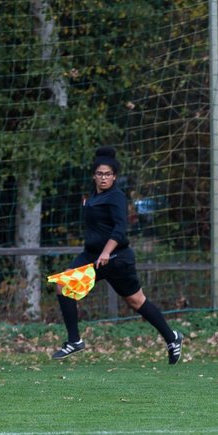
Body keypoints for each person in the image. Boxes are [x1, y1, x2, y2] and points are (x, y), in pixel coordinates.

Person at [51, 146, 183, 365]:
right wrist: (97, 252)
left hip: (116, 259)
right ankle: (74, 341)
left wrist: (106, 252)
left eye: (108, 174)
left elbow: (120, 229)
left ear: (114, 176)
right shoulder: (92, 196)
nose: (104, 178)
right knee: (63, 285)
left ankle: (172, 338)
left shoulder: (117, 197)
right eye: (100, 174)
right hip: (91, 256)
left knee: (136, 301)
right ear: (94, 175)